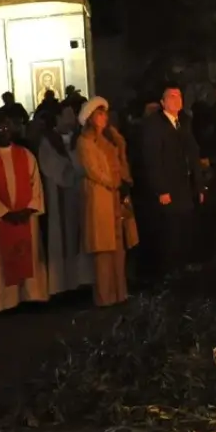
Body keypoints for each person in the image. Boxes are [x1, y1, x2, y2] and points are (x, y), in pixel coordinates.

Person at [0, 122, 47, 312]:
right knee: (3, 260)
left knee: (29, 255)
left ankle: (32, 295)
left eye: (6, 128)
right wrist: (6, 213)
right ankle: (6, 301)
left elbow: (36, 183)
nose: (4, 132)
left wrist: (29, 209)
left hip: (26, 217)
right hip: (3, 221)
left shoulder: (26, 155)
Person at [134, 84, 201, 280]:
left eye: (179, 96)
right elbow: (153, 159)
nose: (176, 99)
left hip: (185, 187)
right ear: (162, 102)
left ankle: (184, 271)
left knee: (185, 229)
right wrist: (161, 189)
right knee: (171, 232)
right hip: (169, 188)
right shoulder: (155, 125)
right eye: (171, 96)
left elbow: (192, 154)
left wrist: (198, 184)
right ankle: (169, 275)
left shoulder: (183, 123)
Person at [76, 97, 137, 306]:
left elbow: (119, 162)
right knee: (103, 248)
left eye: (105, 114)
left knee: (118, 246)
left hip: (115, 197)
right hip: (100, 197)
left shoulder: (110, 139)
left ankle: (120, 292)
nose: (104, 118)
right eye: (99, 114)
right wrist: (114, 182)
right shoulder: (84, 142)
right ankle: (105, 296)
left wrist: (123, 181)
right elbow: (92, 169)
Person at [34, 106, 93, 296]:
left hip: (80, 194)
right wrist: (72, 168)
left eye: (73, 114)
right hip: (59, 195)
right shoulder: (48, 142)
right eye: (68, 114)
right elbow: (51, 166)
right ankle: (63, 284)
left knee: (81, 236)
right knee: (62, 237)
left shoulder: (80, 138)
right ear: (58, 118)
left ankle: (84, 279)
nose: (72, 117)